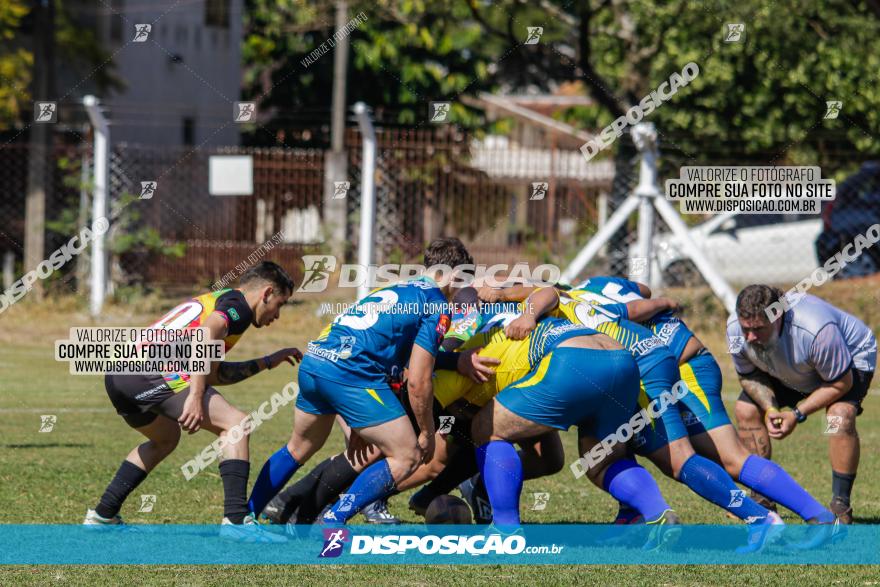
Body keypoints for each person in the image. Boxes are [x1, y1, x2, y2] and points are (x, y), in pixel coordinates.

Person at [571, 277, 840, 528]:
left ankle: (768, 520)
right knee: (612, 447)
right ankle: (819, 517)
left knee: (699, 459)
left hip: (676, 367)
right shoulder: (595, 283)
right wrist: (662, 304)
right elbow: (643, 290)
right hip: (685, 361)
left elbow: (630, 310)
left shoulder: (560, 306)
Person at [246, 237, 470, 524]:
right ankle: (334, 518)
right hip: (351, 373)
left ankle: (244, 516)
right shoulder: (436, 303)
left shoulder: (393, 287)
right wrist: (426, 432)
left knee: (297, 447)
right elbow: (418, 380)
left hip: (316, 361)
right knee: (407, 455)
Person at [84, 261, 301, 543]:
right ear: (267, 292)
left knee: (165, 439)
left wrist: (268, 361)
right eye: (280, 304)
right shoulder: (237, 306)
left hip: (120, 375)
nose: (277, 315)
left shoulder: (221, 302)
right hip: (149, 373)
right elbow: (204, 336)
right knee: (236, 424)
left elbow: (214, 373)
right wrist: (196, 397)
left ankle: (103, 515)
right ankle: (236, 520)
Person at [730, 284, 877, 523]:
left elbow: (840, 383)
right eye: (746, 329)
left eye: (758, 329)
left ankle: (840, 506)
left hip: (847, 361)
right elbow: (748, 374)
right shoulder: (737, 330)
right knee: (745, 409)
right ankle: (761, 500)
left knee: (838, 418)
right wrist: (770, 408)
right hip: (794, 363)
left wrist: (797, 414)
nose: (750, 337)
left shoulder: (816, 330)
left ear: (777, 317)